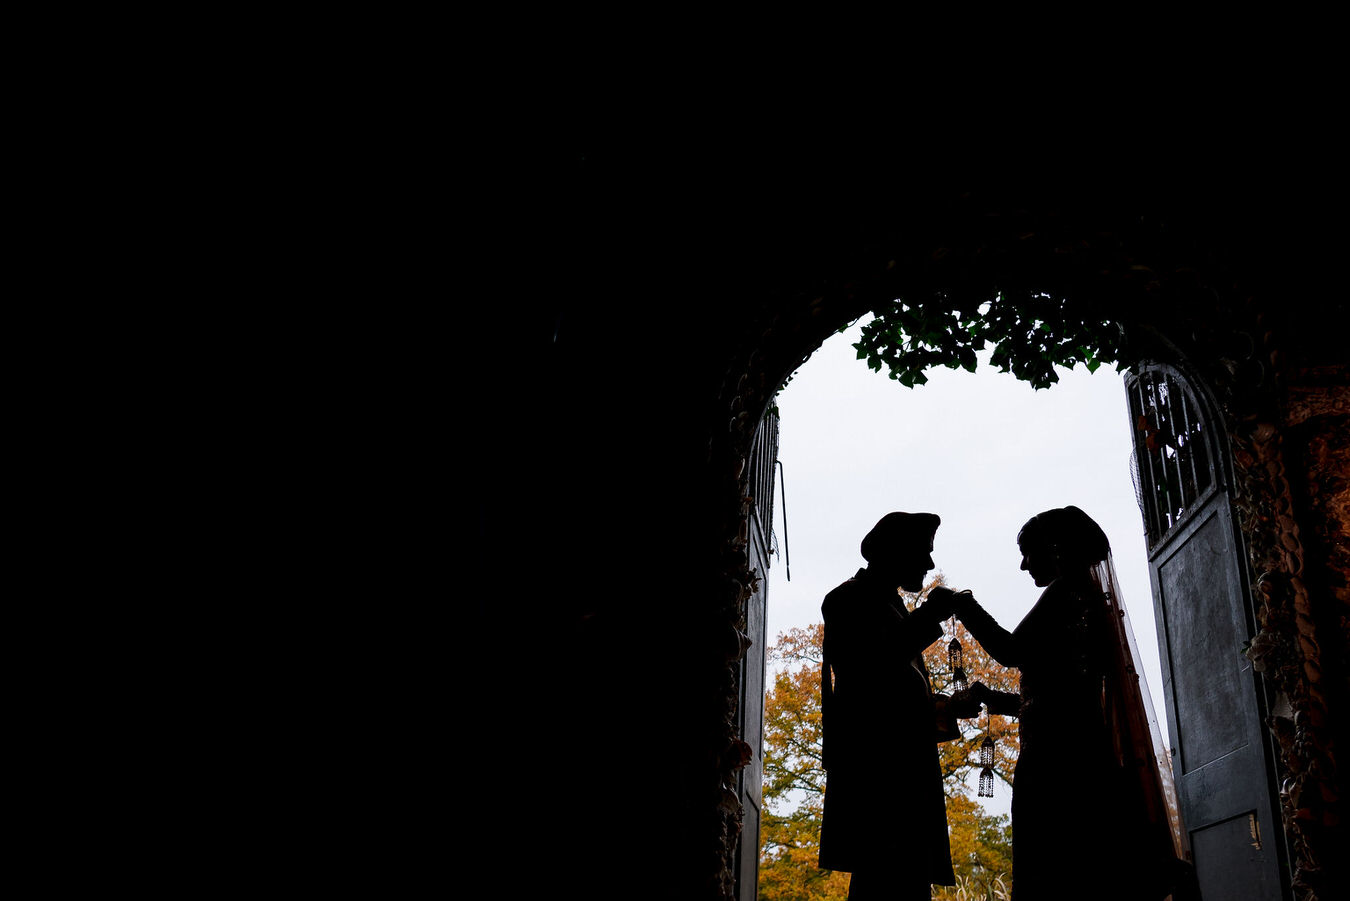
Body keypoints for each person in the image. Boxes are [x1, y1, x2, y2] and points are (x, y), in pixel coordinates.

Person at [953, 505, 1193, 901]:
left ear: (1055, 548)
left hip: (1058, 768)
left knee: (1058, 874)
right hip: (1079, 757)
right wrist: (995, 699)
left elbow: (1011, 651)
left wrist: (964, 605)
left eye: (1027, 553)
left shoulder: (1066, 593)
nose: (1022, 566)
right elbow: (1062, 697)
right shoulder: (1085, 596)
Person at [818, 511, 982, 901]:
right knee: (884, 882)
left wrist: (945, 708)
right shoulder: (846, 600)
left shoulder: (890, 606)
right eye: (923, 552)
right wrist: (929, 614)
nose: (928, 564)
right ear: (895, 551)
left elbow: (895, 698)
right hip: (880, 778)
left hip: (899, 776)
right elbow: (869, 671)